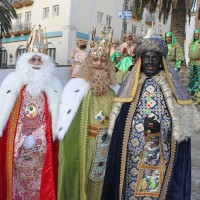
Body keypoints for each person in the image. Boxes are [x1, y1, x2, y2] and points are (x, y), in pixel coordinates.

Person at [101, 26, 200, 200]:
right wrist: (138, 127)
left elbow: (181, 127)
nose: (150, 62)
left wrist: (162, 126)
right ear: (141, 60)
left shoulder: (172, 86)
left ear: (161, 61)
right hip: (134, 156)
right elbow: (121, 124)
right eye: (146, 58)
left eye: (155, 58)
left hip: (161, 155)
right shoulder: (130, 86)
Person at [0, 26, 62, 200]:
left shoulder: (54, 86)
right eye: (32, 59)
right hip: (17, 148)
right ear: (25, 61)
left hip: (41, 149)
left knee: (40, 187)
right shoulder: (11, 84)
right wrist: (23, 137)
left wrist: (37, 138)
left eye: (39, 60)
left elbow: (53, 118)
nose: (36, 63)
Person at [57, 26, 120, 200]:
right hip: (84, 146)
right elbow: (67, 125)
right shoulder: (75, 89)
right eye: (95, 60)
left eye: (103, 60)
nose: (98, 64)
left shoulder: (116, 90)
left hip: (106, 148)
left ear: (108, 64)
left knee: (101, 186)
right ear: (88, 62)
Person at [188, 28, 200, 97]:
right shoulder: (191, 43)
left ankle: (196, 91)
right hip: (192, 62)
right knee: (191, 77)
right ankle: (190, 90)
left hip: (198, 62)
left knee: (198, 77)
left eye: (197, 34)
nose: (196, 35)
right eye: (195, 34)